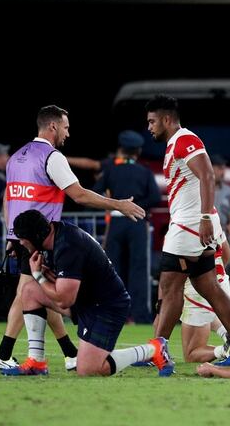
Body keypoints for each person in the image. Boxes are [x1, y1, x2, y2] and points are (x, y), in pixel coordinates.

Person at [0, 106, 145, 374]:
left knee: (36, 293)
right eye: (65, 127)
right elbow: (79, 195)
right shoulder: (52, 157)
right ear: (52, 127)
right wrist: (118, 205)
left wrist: (11, 235)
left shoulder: (16, 157)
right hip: (46, 239)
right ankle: (8, 354)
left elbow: (9, 198)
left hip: (23, 238)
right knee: (32, 293)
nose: (68, 132)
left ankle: (53, 355)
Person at [146, 94, 230, 369]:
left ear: (167, 119)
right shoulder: (174, 144)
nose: (149, 127)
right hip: (193, 224)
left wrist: (205, 216)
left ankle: (158, 350)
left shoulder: (184, 139)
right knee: (210, 287)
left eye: (152, 121)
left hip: (189, 225)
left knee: (169, 289)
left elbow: (208, 174)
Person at [4, 210, 173, 377]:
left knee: (88, 369)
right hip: (86, 300)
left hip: (106, 307)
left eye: (23, 240)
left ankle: (153, 350)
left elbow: (64, 300)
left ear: (35, 237)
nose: (21, 243)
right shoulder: (55, 234)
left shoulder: (68, 245)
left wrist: (39, 276)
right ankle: (36, 362)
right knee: (29, 291)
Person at [94, 130, 162, 323]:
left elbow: (96, 191)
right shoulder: (145, 171)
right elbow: (155, 197)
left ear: (122, 150)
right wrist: (137, 207)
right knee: (139, 269)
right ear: (138, 151)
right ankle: (139, 314)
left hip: (116, 220)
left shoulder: (111, 170)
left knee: (113, 267)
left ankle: (113, 312)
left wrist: (114, 202)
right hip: (137, 222)